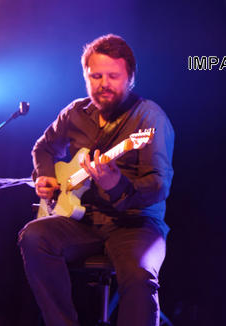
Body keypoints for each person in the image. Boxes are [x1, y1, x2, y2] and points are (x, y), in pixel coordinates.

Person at [18, 34, 174, 326]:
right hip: (84, 220)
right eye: (96, 76)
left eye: (113, 76)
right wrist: (46, 175)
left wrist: (117, 186)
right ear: (85, 76)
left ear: (130, 78)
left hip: (136, 223)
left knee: (139, 276)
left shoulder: (150, 118)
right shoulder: (75, 113)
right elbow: (44, 148)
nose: (104, 84)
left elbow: (158, 186)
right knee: (34, 236)